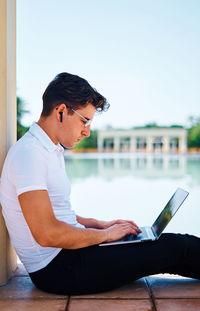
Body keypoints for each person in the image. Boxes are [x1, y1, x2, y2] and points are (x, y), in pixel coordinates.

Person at [0, 72, 200, 295]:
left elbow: (53, 212)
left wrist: (100, 225)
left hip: (68, 256)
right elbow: (47, 233)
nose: (87, 131)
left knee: (165, 250)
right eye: (84, 121)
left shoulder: (48, 150)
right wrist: (106, 236)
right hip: (58, 269)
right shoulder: (29, 154)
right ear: (60, 112)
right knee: (176, 247)